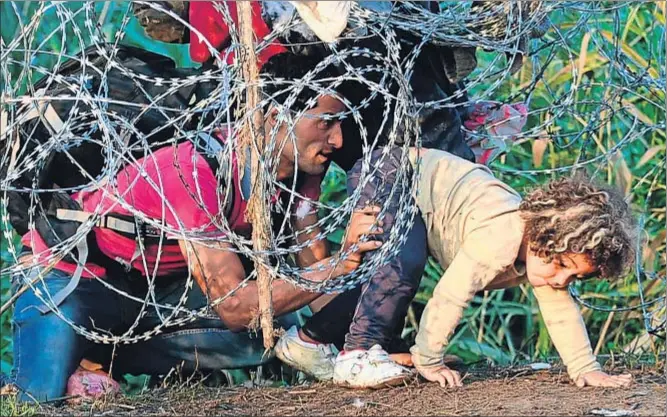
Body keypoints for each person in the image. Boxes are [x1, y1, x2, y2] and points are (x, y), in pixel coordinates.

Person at [7, 52, 382, 402]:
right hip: (70, 278)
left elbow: (314, 277)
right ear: (273, 115)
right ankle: (70, 360)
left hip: (148, 296)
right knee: (38, 400)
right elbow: (235, 306)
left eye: (341, 125)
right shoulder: (193, 173)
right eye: (326, 123)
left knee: (279, 329)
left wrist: (367, 342)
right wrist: (337, 265)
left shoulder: (299, 176)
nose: (338, 140)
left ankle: (98, 356)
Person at [277, 147, 636, 389]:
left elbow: (561, 313)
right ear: (544, 233)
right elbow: (450, 295)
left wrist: (585, 368)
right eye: (559, 265)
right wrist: (428, 359)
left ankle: (309, 340)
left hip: (414, 193)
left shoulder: (541, 252)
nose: (559, 280)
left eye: (573, 276)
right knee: (402, 262)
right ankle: (358, 353)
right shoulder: (502, 235)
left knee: (396, 270)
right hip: (390, 174)